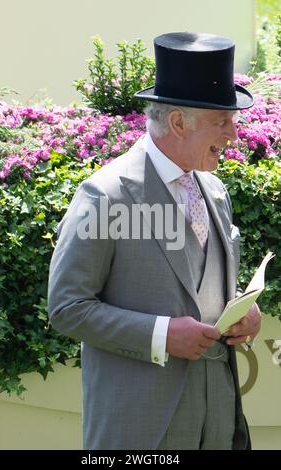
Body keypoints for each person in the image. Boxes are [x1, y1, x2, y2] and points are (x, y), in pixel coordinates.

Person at [48, 32, 262, 450]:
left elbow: (208, 285)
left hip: (219, 422)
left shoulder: (215, 191)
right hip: (140, 433)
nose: (234, 136)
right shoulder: (103, 195)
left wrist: (244, 313)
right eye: (222, 122)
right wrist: (161, 335)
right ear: (179, 123)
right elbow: (67, 307)